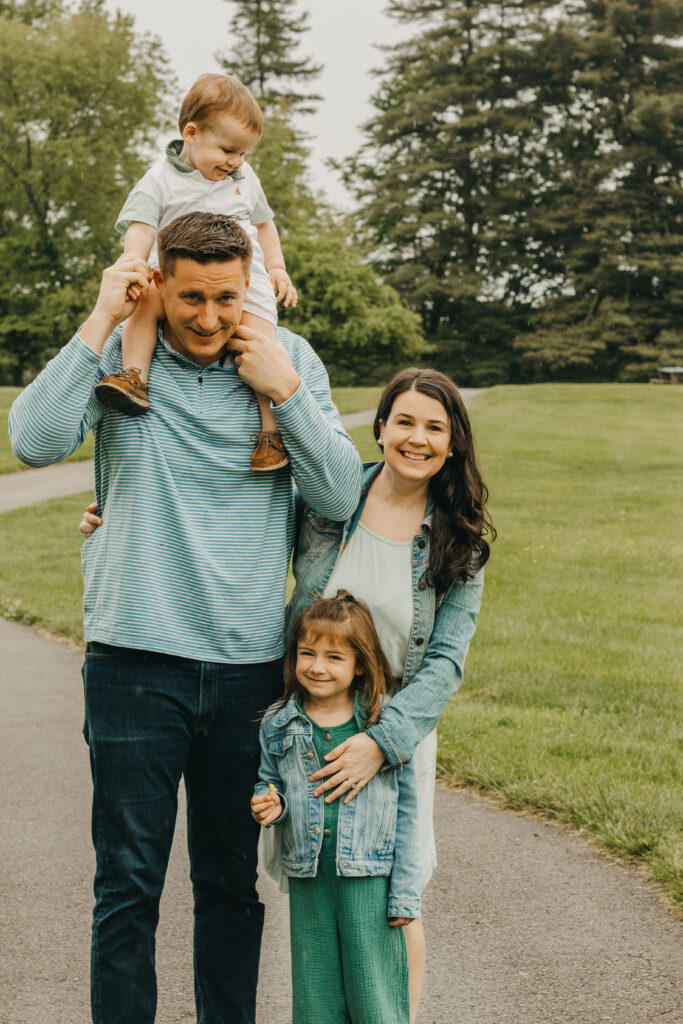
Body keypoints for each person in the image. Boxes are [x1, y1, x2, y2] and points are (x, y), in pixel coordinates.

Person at [9, 210, 362, 1024]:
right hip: (133, 663)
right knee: (126, 886)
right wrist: (101, 313)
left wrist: (286, 393)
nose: (208, 319)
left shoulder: (287, 361)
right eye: (192, 297)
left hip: (246, 673)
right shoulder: (122, 358)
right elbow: (31, 443)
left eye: (227, 299)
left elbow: (338, 496)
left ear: (251, 291)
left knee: (230, 887)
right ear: (160, 283)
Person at [285, 367, 495, 1020]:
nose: (417, 438)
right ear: (379, 430)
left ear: (453, 443)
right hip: (312, 726)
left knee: (394, 904)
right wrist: (109, 524)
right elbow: (238, 531)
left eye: (435, 427)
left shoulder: (459, 542)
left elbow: (444, 666)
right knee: (317, 900)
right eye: (403, 421)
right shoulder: (328, 504)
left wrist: (380, 743)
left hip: (396, 740)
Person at [96, 72, 297, 471]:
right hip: (174, 275)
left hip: (243, 278)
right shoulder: (160, 180)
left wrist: (276, 267)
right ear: (191, 132)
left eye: (243, 154)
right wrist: (134, 263)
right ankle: (134, 377)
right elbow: (142, 225)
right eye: (227, 150)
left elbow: (265, 224)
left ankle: (270, 434)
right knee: (143, 307)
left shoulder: (244, 180)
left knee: (261, 345)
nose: (235, 162)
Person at [251, 591, 421, 1024]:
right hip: (310, 877)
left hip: (370, 878)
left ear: (360, 663)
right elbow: (270, 780)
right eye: (307, 653)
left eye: (334, 657)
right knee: (315, 996)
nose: (317, 667)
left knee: (373, 995)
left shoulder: (382, 726)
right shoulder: (280, 722)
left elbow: (406, 814)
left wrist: (404, 893)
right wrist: (270, 803)